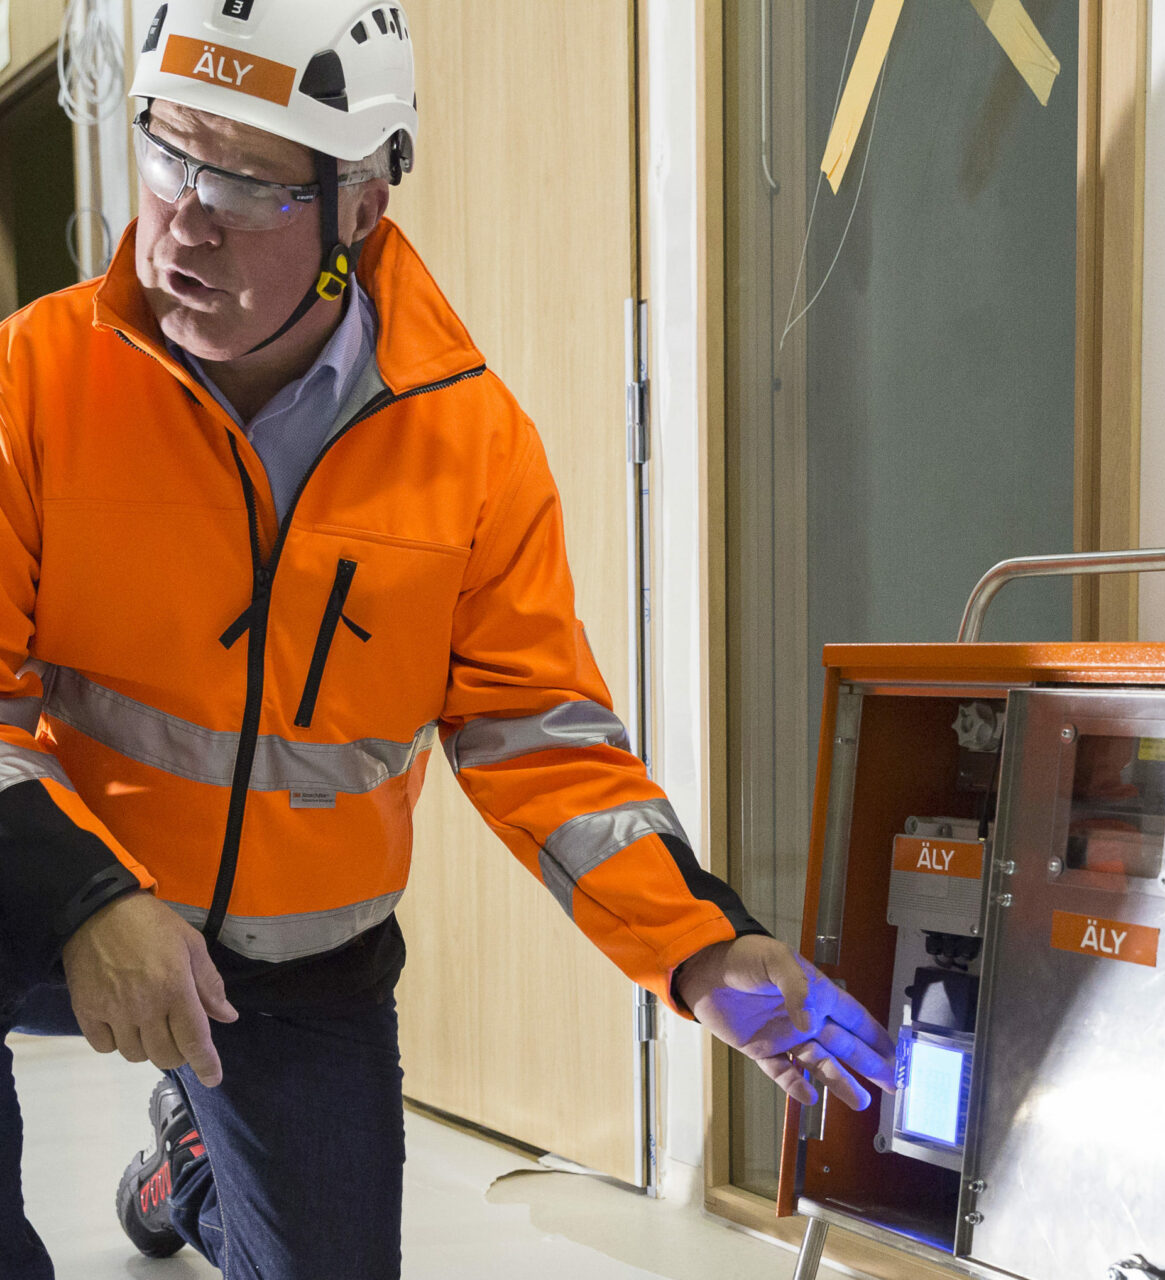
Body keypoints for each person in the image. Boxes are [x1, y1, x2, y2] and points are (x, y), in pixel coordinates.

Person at [0, 2, 894, 1276]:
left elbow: (544, 744)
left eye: (243, 181)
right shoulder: (32, 381)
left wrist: (703, 948)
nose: (181, 220)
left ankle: (193, 1163)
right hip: (45, 897)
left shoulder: (471, 453)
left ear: (359, 209)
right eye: (167, 150)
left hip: (294, 961)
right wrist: (89, 895)